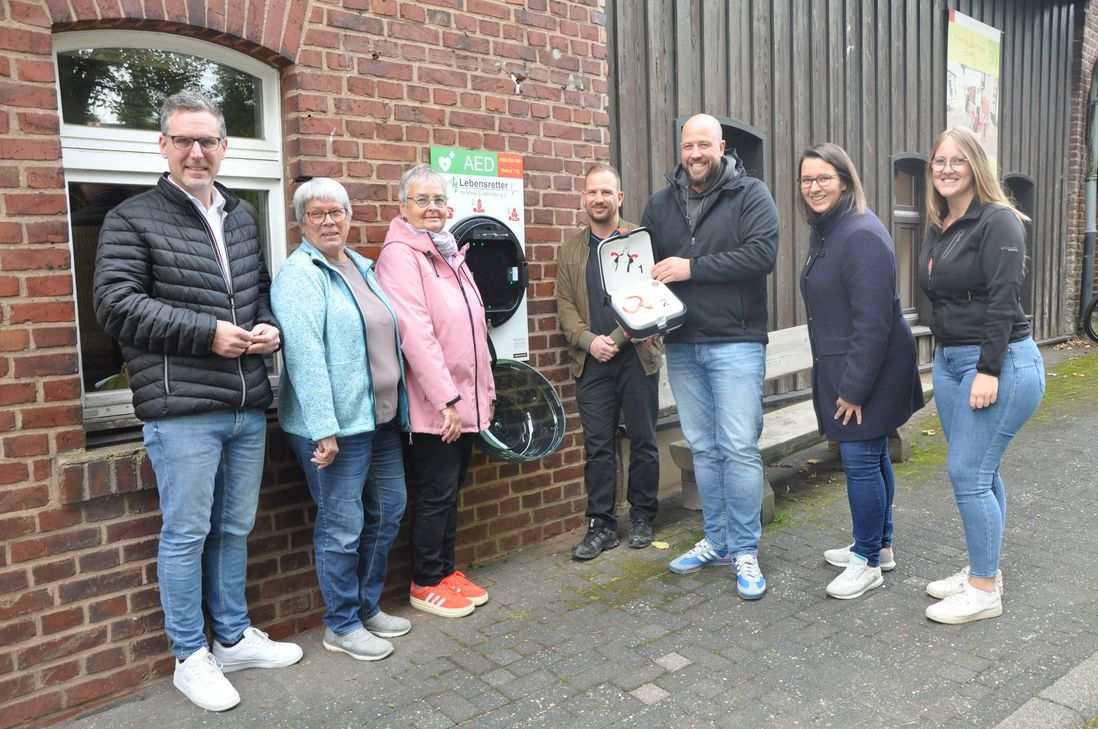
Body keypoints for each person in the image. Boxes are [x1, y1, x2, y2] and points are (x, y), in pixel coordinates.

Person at [93, 90, 301, 712]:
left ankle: (232, 637)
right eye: (183, 140)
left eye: (207, 140)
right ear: (163, 146)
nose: (196, 151)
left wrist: (270, 328)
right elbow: (116, 305)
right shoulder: (132, 218)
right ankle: (190, 654)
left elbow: (259, 290)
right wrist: (207, 332)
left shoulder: (238, 215)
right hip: (182, 411)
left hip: (246, 405)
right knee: (186, 534)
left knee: (234, 528)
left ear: (223, 147)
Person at [272, 178, 410, 661]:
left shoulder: (361, 267)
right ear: (302, 223)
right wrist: (323, 428)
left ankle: (368, 607)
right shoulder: (299, 276)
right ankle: (342, 623)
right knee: (341, 526)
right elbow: (305, 356)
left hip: (380, 419)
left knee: (389, 509)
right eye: (317, 214)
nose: (329, 221)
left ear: (350, 217)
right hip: (335, 429)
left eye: (337, 212)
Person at [643, 113, 779, 599]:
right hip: (681, 343)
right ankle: (717, 540)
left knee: (739, 446)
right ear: (680, 149)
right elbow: (644, 270)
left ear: (721, 146)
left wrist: (691, 268)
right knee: (703, 446)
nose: (695, 154)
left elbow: (761, 255)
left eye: (704, 144)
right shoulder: (660, 205)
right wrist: (640, 320)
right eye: (687, 146)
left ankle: (745, 548)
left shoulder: (751, 195)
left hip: (736, 341)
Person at [919, 128, 1045, 624]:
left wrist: (988, 369)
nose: (946, 169)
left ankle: (984, 590)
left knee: (967, 473)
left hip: (1000, 362)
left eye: (957, 161)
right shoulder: (940, 223)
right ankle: (983, 567)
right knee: (980, 471)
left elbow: (1002, 299)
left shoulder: (999, 221)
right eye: (938, 162)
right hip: (951, 362)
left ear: (976, 166)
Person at [796, 143, 925, 600]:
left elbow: (871, 324)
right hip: (848, 362)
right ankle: (881, 546)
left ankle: (866, 560)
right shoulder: (830, 230)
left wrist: (853, 390)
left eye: (823, 178)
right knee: (872, 455)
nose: (813, 187)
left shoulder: (860, 234)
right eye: (807, 179)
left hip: (866, 367)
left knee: (860, 460)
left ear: (845, 181)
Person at [375, 163, 495, 618]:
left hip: (464, 399)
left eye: (438, 199)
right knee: (434, 491)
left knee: (452, 488)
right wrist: (447, 400)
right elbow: (416, 334)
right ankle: (426, 581)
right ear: (402, 206)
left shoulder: (447, 252)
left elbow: (473, 329)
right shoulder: (401, 256)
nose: (432, 207)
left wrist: (480, 393)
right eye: (422, 199)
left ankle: (445, 570)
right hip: (436, 405)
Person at [555, 163, 663, 560]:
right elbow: (563, 304)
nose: (598, 199)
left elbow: (652, 293)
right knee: (597, 446)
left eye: (606, 192)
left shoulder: (638, 240)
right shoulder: (570, 250)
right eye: (591, 193)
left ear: (619, 197)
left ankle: (642, 516)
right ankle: (601, 524)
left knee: (643, 439)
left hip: (637, 356)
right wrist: (588, 340)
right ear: (583, 199)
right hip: (592, 363)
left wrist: (617, 338)